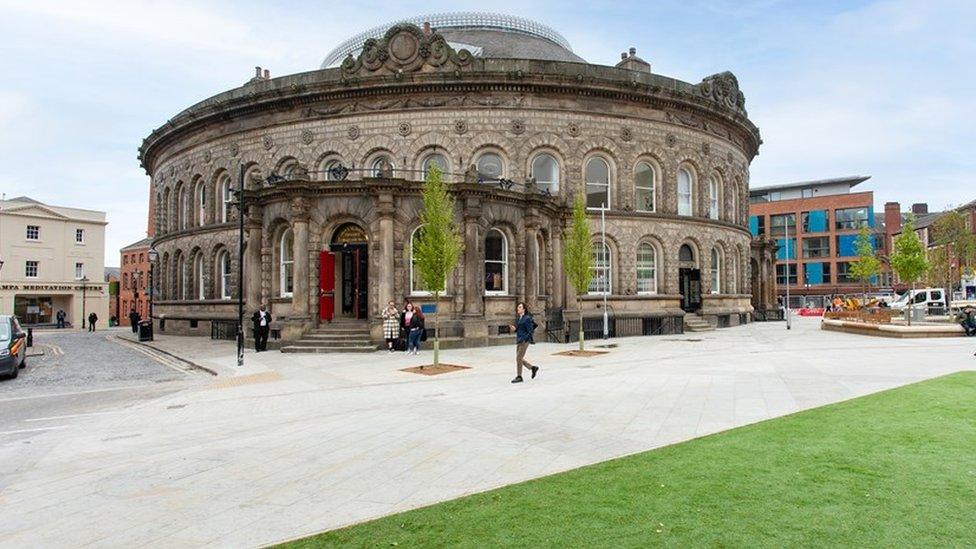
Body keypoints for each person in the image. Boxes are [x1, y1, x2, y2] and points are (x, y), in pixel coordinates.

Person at [509, 302, 540, 384]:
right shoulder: (519, 318)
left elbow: (530, 331)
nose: (518, 308)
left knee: (518, 358)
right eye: (518, 307)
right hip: (519, 340)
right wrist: (514, 329)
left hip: (524, 341)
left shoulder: (527, 318)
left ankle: (519, 376)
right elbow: (520, 329)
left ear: (524, 309)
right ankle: (533, 368)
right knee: (519, 358)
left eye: (519, 307)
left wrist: (525, 339)